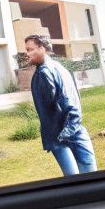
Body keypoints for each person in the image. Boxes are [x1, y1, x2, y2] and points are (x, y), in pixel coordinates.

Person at [24, 34, 98, 176]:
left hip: (62, 133)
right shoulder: (59, 67)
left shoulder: (44, 72)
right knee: (90, 175)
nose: (27, 54)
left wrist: (63, 134)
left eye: (30, 49)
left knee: (76, 179)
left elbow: (65, 100)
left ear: (42, 48)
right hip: (73, 129)